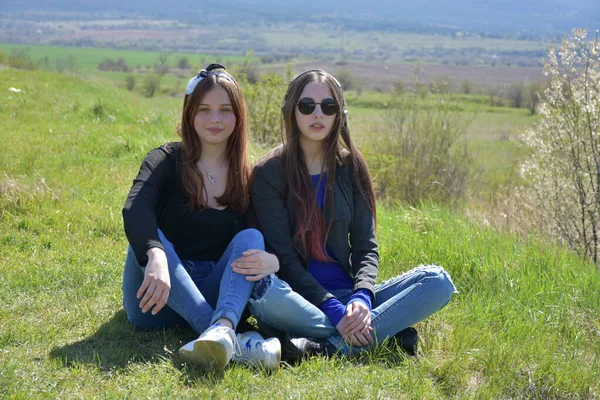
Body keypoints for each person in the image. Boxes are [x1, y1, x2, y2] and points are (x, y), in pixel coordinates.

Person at [247, 69, 458, 357]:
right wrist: (334, 310)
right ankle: (383, 332)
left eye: (328, 106)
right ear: (291, 111)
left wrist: (362, 298)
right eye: (307, 106)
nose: (317, 114)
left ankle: (326, 346)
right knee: (263, 296)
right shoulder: (269, 174)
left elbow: (366, 248)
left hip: (348, 295)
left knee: (438, 281)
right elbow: (284, 259)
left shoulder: (351, 167)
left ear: (339, 114)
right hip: (296, 298)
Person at [121, 64, 281, 371]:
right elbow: (134, 209)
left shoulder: (248, 178)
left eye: (224, 109)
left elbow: (264, 241)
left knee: (251, 238)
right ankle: (231, 337)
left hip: (214, 290)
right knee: (151, 237)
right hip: (155, 299)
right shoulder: (164, 160)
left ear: (238, 117)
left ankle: (220, 328)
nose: (215, 119)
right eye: (204, 109)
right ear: (189, 113)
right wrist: (154, 254)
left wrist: (275, 261)